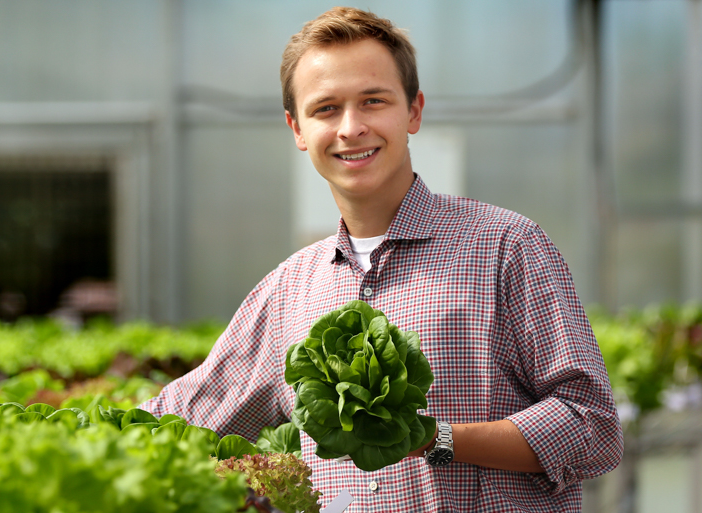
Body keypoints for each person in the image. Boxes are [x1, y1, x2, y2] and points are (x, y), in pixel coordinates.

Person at [140, 6, 622, 512]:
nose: (351, 127)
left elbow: (592, 424)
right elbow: (191, 412)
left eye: (373, 101)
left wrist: (433, 437)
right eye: (325, 109)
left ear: (413, 111)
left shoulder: (506, 246)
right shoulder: (289, 290)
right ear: (298, 129)